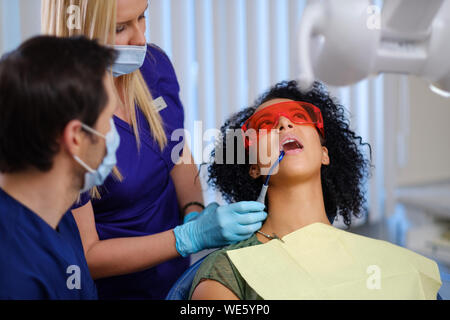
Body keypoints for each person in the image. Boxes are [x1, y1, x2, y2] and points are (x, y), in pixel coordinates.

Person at [41, 0, 267, 300]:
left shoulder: (153, 66)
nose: (141, 38)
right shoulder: (59, 121)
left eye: (142, 17)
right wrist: (189, 237)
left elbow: (175, 148)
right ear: (78, 32)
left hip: (177, 275)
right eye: (121, 28)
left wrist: (193, 211)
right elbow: (87, 255)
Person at [189, 80, 441, 300]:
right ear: (253, 166)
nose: (285, 124)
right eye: (266, 123)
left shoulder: (397, 267)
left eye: (298, 116)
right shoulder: (228, 269)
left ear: (324, 153)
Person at [0, 36, 119, 299]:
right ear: (75, 138)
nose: (113, 134)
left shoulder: (57, 215)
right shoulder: (13, 275)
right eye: (109, 120)